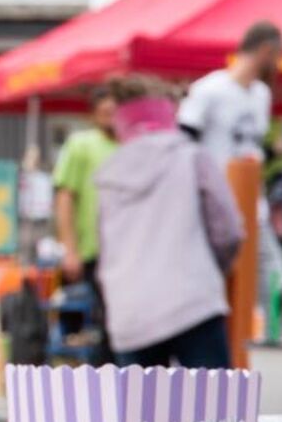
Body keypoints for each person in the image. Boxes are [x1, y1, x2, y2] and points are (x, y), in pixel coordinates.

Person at [96, 77, 243, 367]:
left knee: (144, 412)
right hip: (193, 303)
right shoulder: (193, 158)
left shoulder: (109, 175)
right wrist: (214, 269)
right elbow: (228, 230)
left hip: (129, 313)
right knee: (213, 408)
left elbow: (106, 248)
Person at [178, 20, 282, 309]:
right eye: (278, 55)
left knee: (276, 279)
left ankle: (261, 345)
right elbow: (183, 141)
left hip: (254, 206)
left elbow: (250, 146)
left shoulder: (260, 95)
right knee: (218, 284)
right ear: (266, 50)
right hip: (215, 205)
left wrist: (275, 149)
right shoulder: (209, 89)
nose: (279, 64)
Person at [51, 82, 118, 362]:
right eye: (104, 112)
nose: (110, 117)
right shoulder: (81, 145)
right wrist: (70, 249)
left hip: (132, 250)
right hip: (96, 249)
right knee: (107, 320)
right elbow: (65, 196)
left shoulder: (134, 143)